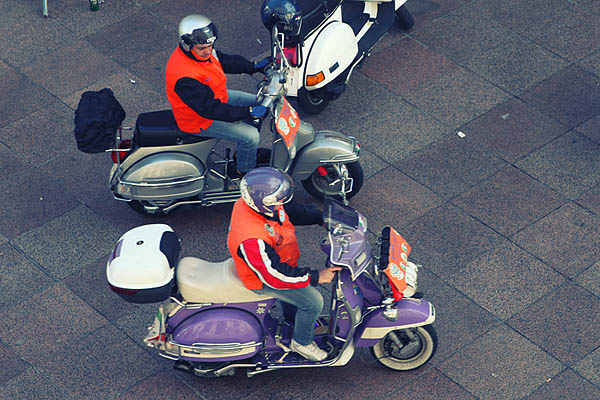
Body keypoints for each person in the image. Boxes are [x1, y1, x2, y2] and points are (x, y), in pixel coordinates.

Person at [227, 167, 341, 361]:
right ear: (266, 202)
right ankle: (302, 342)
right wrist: (316, 276)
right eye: (280, 199)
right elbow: (274, 276)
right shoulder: (251, 238)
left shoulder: (260, 205)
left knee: (296, 296)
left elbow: (291, 210)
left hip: (277, 263)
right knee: (313, 302)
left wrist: (320, 218)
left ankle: (293, 321)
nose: (283, 202)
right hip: (261, 278)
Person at [165, 15, 272, 176]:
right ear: (187, 45)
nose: (208, 51)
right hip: (199, 120)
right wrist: (247, 112)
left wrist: (254, 66)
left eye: (210, 45)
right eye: (202, 48)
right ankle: (243, 172)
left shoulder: (201, 51)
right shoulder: (184, 76)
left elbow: (224, 60)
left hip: (216, 96)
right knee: (251, 137)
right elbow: (211, 110)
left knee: (261, 102)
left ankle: (243, 153)